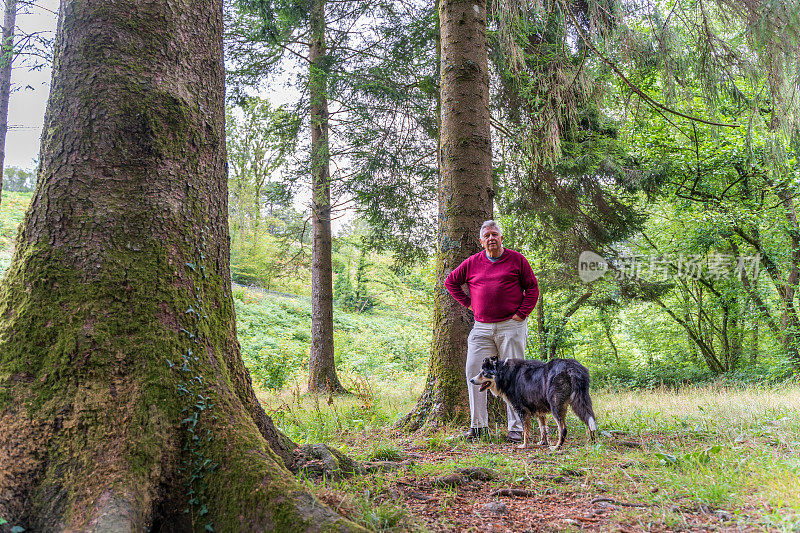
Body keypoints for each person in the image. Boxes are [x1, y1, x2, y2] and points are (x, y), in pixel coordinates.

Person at [445, 220, 539, 442]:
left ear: (501, 238)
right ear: (481, 241)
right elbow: (451, 282)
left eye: (495, 234)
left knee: (515, 377)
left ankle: (516, 429)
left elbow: (532, 288)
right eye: (486, 235)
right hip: (481, 327)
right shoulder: (472, 263)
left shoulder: (517, 260)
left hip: (511, 326)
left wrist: (521, 314)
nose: (491, 238)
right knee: (473, 371)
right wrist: (469, 304)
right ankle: (478, 427)